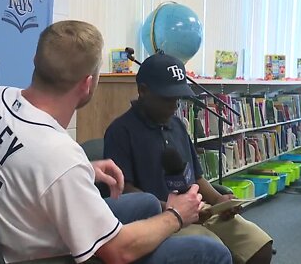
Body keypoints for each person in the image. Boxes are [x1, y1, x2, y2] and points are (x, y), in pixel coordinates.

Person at [0, 20, 232, 264]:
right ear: (88, 84)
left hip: (11, 228)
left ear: (36, 60)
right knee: (212, 252)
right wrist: (176, 215)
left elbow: (23, 166)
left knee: (147, 203)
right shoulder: (59, 157)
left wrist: (85, 169)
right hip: (43, 256)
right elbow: (117, 252)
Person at [104, 52, 274, 264]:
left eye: (178, 97)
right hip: (159, 220)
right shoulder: (120, 131)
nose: (174, 105)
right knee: (215, 252)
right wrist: (174, 210)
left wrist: (218, 201)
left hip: (199, 211)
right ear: (143, 91)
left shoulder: (177, 125)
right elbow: (124, 191)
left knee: (259, 247)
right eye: (167, 98)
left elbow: (196, 177)